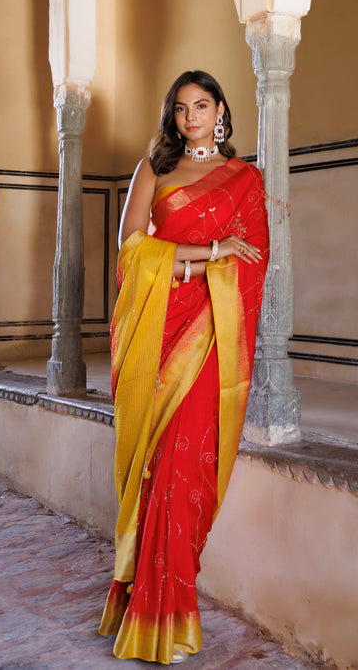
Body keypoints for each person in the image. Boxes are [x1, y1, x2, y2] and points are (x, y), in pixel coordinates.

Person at [98, 70, 269, 664]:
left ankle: (169, 612)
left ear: (220, 109)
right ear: (171, 116)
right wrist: (208, 254)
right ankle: (145, 610)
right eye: (180, 108)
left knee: (180, 472)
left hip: (209, 343)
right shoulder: (155, 170)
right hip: (155, 337)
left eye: (201, 105)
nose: (191, 116)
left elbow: (253, 261)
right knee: (152, 469)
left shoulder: (246, 180)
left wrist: (206, 265)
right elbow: (129, 252)